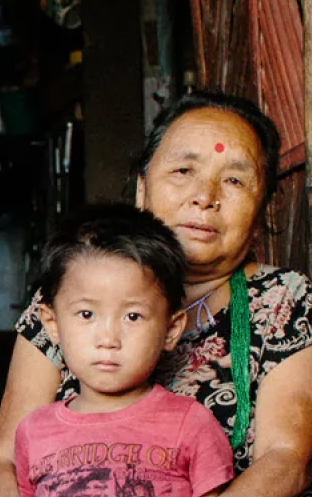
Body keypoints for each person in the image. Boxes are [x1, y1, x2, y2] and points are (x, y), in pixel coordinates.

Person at [0, 92, 312, 497]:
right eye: (184, 170)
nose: (206, 196)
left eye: (235, 179)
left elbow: (285, 462)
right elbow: (3, 463)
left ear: (261, 210)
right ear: (142, 188)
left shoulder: (282, 302)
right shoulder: (70, 295)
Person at [13, 205, 232, 497]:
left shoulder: (192, 425)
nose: (108, 339)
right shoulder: (33, 432)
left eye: (132, 316)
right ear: (52, 323)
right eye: (87, 314)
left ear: (171, 329)